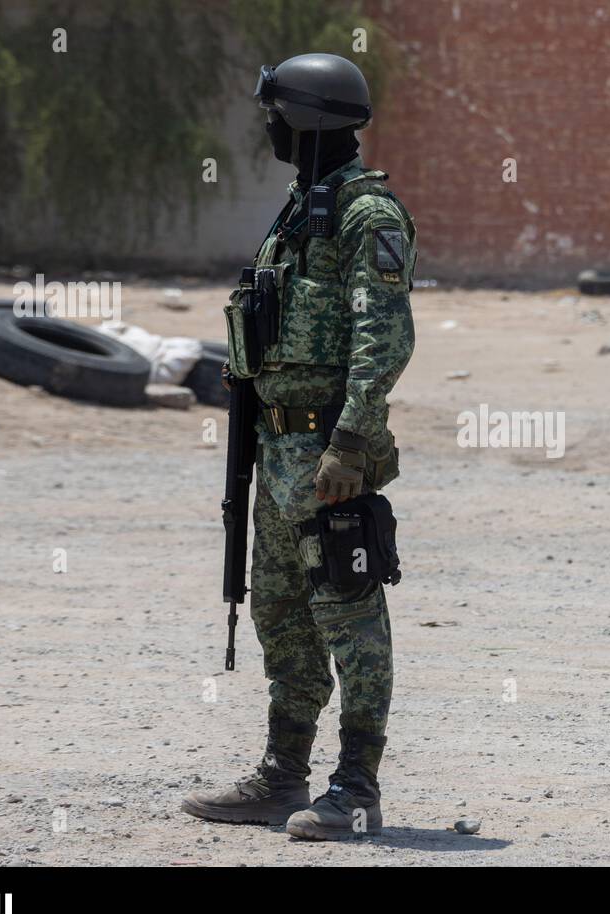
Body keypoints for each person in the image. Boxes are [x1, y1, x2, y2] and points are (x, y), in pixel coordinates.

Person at [182, 52, 416, 839]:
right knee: (281, 617)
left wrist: (350, 443)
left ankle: (356, 787)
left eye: (278, 114)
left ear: (309, 118)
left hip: (327, 457)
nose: (271, 127)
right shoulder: (299, 207)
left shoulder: (365, 214)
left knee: (349, 615)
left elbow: (381, 338)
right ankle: (283, 778)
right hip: (277, 453)